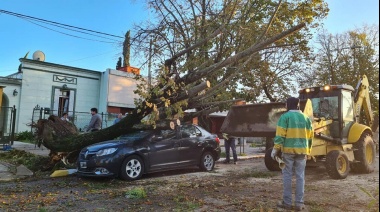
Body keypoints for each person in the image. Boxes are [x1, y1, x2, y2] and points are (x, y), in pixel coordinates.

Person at [271, 97, 314, 211]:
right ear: (298, 105)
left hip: (288, 151)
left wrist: (275, 150)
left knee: (287, 176)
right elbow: (310, 136)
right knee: (300, 176)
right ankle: (299, 204)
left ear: (287, 105)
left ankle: (287, 203)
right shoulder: (306, 118)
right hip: (302, 151)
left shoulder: (285, 117)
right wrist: (308, 151)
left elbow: (280, 136)